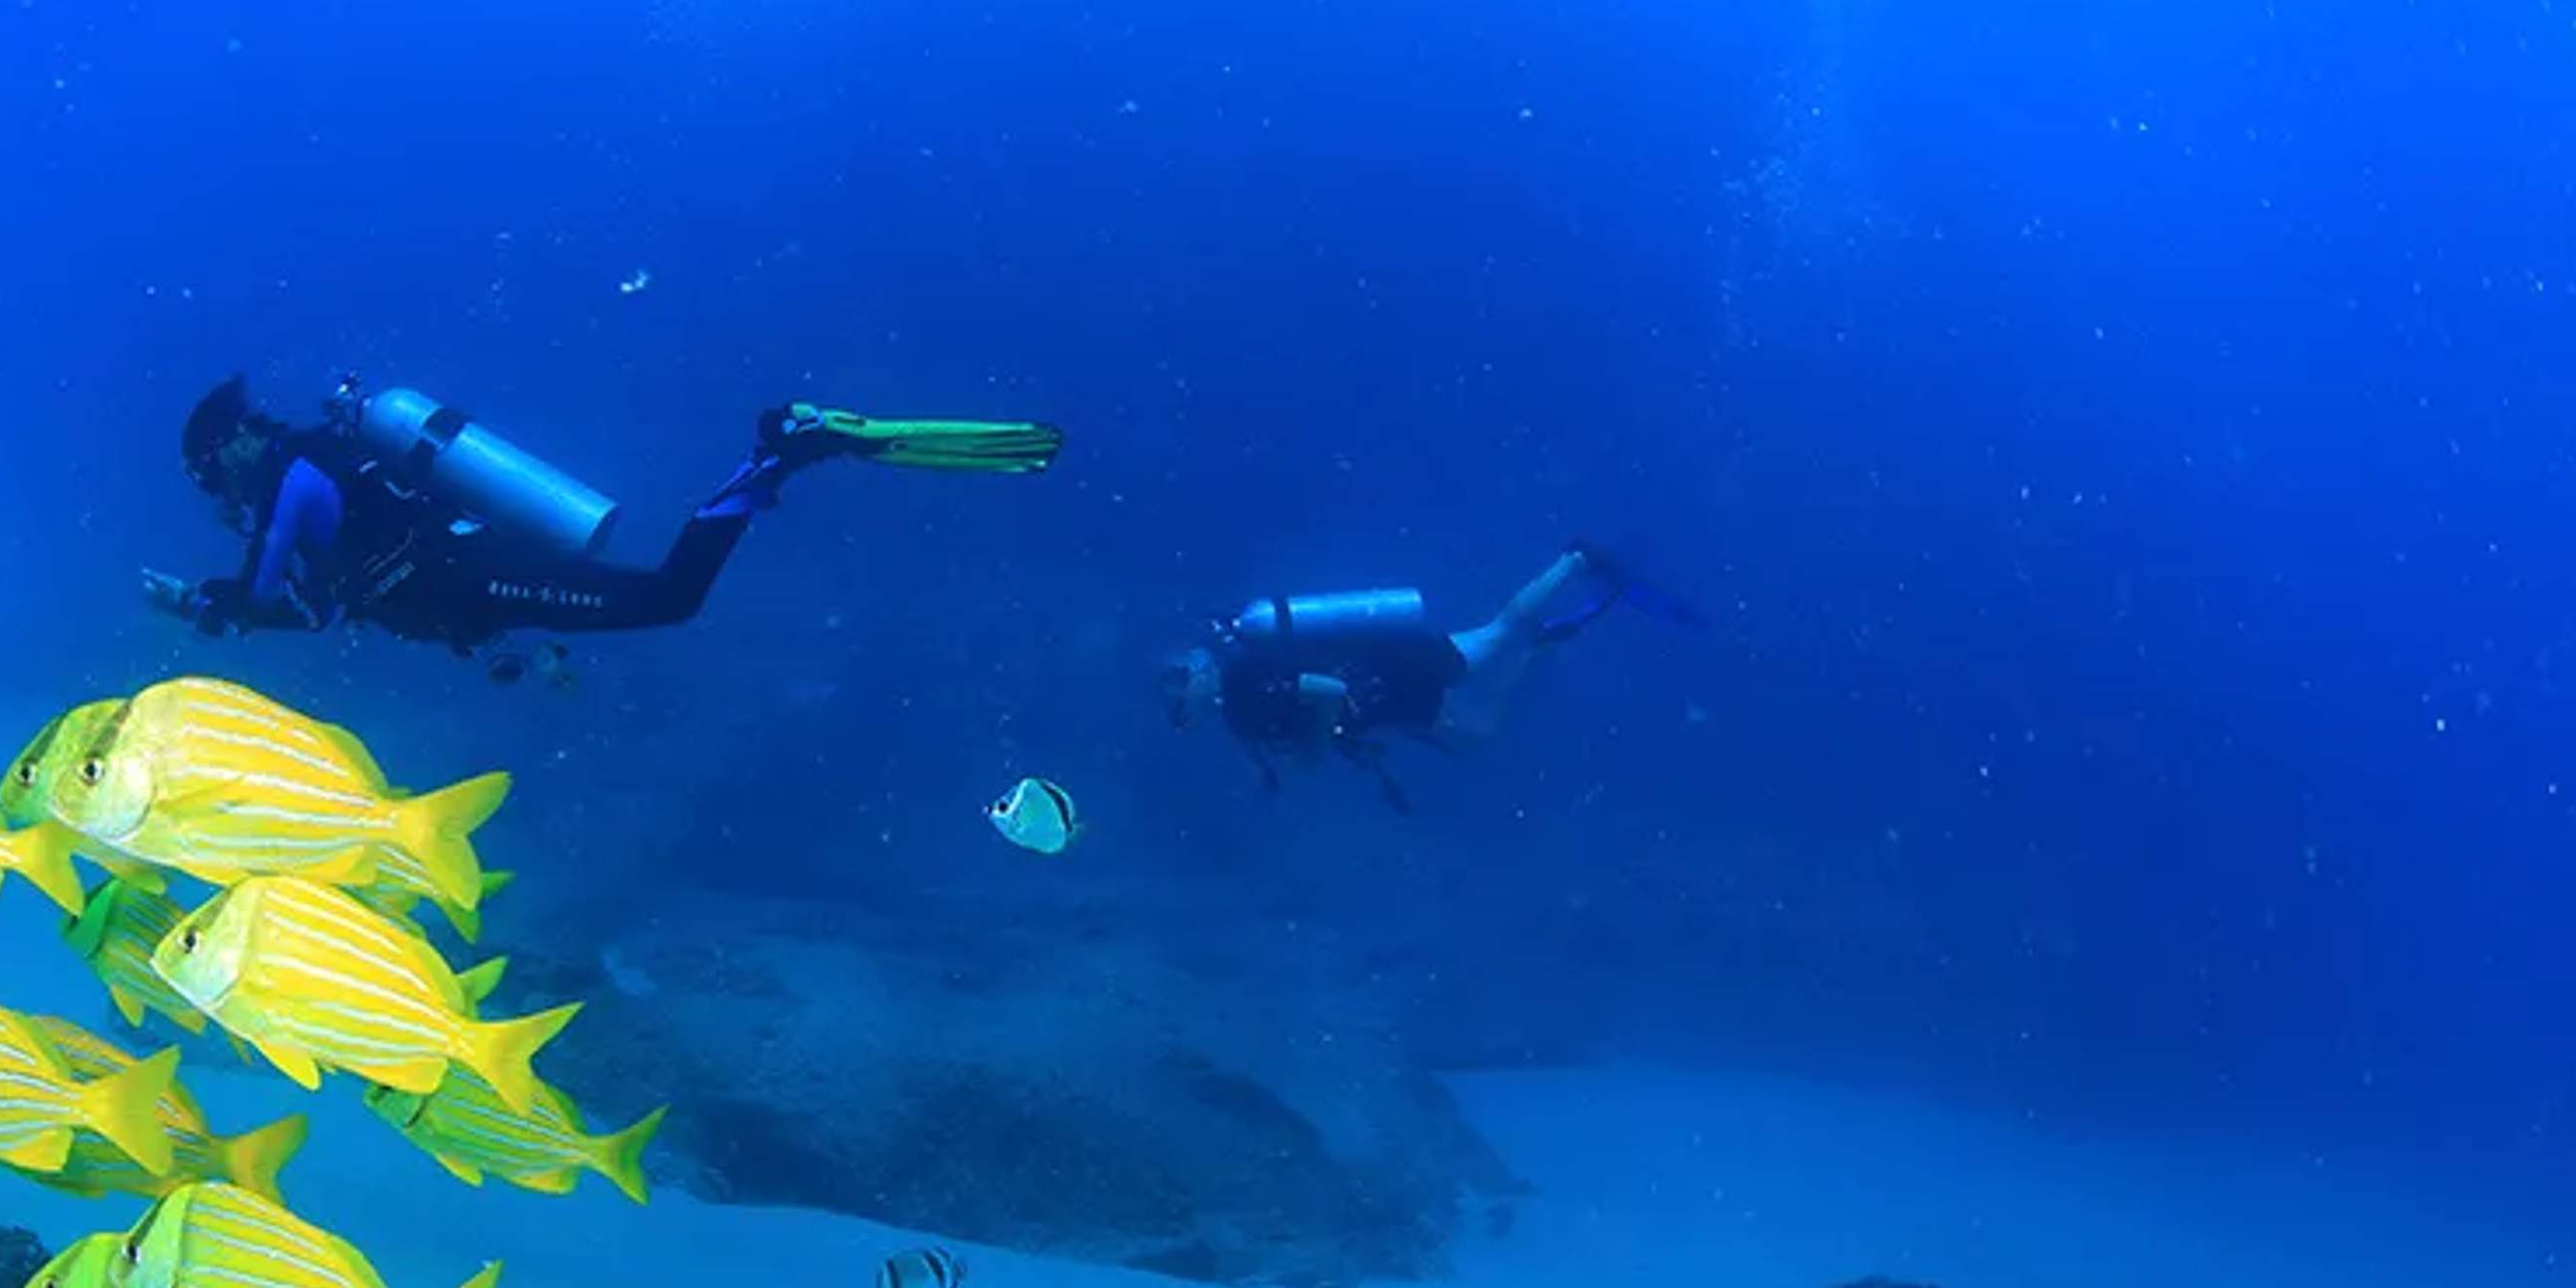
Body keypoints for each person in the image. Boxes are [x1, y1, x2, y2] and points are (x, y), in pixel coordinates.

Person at [145, 375, 1061, 676]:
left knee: (669, 598)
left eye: (207, 474)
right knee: (665, 601)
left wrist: (203, 605)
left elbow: (269, 594)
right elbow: (314, 611)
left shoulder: (292, 480)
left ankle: (780, 448)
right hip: (470, 582)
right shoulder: (312, 466)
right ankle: (778, 457)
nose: (214, 491)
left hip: (472, 576)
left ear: (227, 450)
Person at [1161, 548, 1700, 804]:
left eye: (1184, 682)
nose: (1185, 698)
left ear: (1203, 672)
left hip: (1393, 674)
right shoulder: (1239, 708)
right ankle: (1538, 645)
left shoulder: (1248, 685)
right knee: (1477, 734)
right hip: (1387, 695)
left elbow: (1327, 692)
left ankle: (1575, 562)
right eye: (1179, 696)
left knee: (1495, 635)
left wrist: (1319, 749)